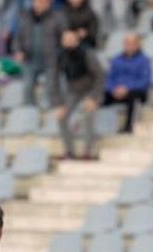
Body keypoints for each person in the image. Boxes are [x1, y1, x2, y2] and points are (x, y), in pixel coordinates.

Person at [51, 28, 104, 161]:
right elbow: (54, 80)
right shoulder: (60, 56)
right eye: (65, 39)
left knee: (87, 113)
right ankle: (70, 151)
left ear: (76, 39)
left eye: (71, 39)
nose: (68, 42)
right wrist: (58, 103)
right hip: (73, 91)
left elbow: (100, 75)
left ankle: (88, 151)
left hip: (90, 89)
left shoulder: (87, 53)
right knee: (61, 117)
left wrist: (94, 97)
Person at [14, 0, 64, 107]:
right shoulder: (25, 17)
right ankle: (29, 113)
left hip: (50, 59)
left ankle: (50, 114)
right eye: (38, 2)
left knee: (51, 88)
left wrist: (58, 54)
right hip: (30, 58)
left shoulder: (56, 17)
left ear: (49, 3)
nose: (40, 4)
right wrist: (18, 51)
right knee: (27, 87)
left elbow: (63, 39)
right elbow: (17, 38)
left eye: (44, 2)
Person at [103, 31, 150, 134]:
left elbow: (144, 81)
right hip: (116, 91)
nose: (129, 46)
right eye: (127, 43)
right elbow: (109, 78)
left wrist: (127, 88)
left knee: (132, 97)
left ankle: (128, 127)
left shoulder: (144, 60)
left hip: (135, 91)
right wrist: (113, 89)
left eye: (132, 43)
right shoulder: (116, 59)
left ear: (138, 44)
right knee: (100, 97)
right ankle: (102, 127)